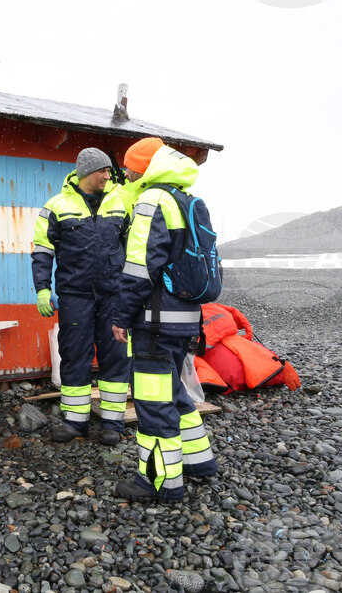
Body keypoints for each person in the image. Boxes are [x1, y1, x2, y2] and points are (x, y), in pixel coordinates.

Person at [111, 137, 219, 503]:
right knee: (176, 393)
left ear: (142, 168)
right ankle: (199, 462)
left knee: (153, 404)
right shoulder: (184, 199)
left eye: (128, 167)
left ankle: (160, 483)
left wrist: (122, 316)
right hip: (186, 319)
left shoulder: (151, 200)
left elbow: (140, 267)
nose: (124, 173)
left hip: (154, 324)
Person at [31, 147, 131, 444]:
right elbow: (42, 251)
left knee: (115, 355)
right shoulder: (56, 206)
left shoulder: (122, 202)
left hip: (114, 295)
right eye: (103, 170)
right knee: (75, 355)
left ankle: (113, 423)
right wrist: (42, 289)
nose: (108, 175)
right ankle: (75, 422)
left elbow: (135, 249)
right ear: (88, 171)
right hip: (75, 296)